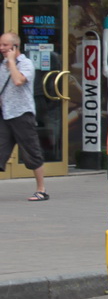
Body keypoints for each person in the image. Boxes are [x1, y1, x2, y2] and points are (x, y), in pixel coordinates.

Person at [0, 33, 48, 201]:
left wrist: (12, 62)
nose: (2, 48)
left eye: (5, 45)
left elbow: (18, 81)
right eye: (1, 45)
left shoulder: (26, 64)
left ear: (15, 47)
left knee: (32, 152)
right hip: (5, 114)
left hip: (22, 114)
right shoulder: (3, 64)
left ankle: (41, 189)